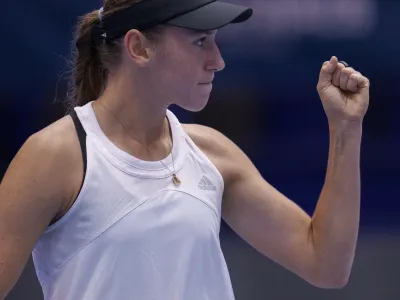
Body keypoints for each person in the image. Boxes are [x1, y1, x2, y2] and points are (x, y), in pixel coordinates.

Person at [0, 0, 370, 299]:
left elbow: (326, 264)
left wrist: (346, 128)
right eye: (200, 41)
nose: (218, 60)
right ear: (138, 47)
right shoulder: (54, 157)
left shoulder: (212, 153)